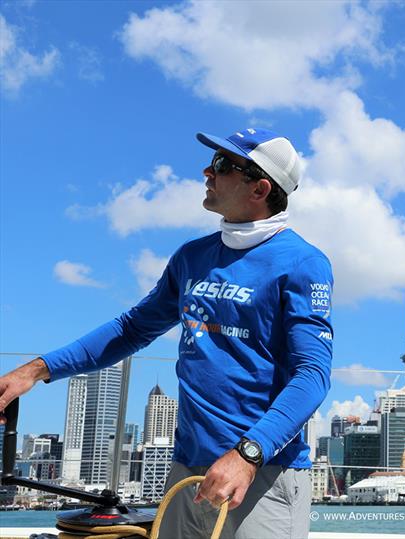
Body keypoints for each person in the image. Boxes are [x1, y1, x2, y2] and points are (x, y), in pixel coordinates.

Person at [0, 127, 333, 539]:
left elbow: (312, 375)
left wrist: (248, 454)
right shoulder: (192, 257)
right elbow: (132, 328)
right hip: (186, 473)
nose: (206, 172)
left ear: (260, 189)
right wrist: (36, 370)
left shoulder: (303, 263)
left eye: (222, 165)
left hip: (262, 471)